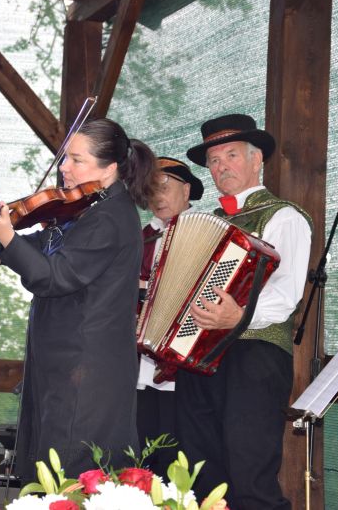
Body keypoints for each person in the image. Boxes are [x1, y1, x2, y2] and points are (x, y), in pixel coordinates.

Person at [0, 118, 157, 481]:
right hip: (63, 367)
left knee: (69, 478)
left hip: (85, 374)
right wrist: (2, 244)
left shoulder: (110, 218)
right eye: (65, 158)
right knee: (47, 475)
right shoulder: (89, 208)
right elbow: (48, 244)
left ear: (109, 167)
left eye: (77, 160)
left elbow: (53, 277)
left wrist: (7, 235)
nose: (64, 168)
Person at [176, 114, 312, 509]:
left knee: (249, 474)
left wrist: (239, 317)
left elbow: (286, 293)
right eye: (214, 161)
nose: (221, 167)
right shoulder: (203, 223)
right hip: (199, 357)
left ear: (257, 159)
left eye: (231, 155)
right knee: (201, 475)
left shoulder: (284, 216)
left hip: (255, 355)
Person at [136, 156, 203, 476]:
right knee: (139, 457)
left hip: (185, 365)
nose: (157, 197)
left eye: (164, 187)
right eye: (150, 190)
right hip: (138, 366)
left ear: (186, 190)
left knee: (179, 461)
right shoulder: (141, 237)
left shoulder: (203, 231)